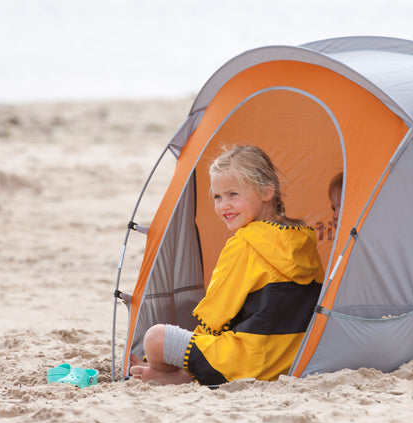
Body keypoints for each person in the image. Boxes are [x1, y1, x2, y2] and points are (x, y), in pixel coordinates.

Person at [130, 145, 325, 385]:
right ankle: (177, 375)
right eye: (217, 196)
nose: (223, 206)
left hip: (249, 361)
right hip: (292, 359)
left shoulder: (245, 243)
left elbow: (214, 316)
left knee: (155, 338)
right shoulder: (304, 238)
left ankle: (176, 376)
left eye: (233, 194)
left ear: (267, 192)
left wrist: (193, 356)